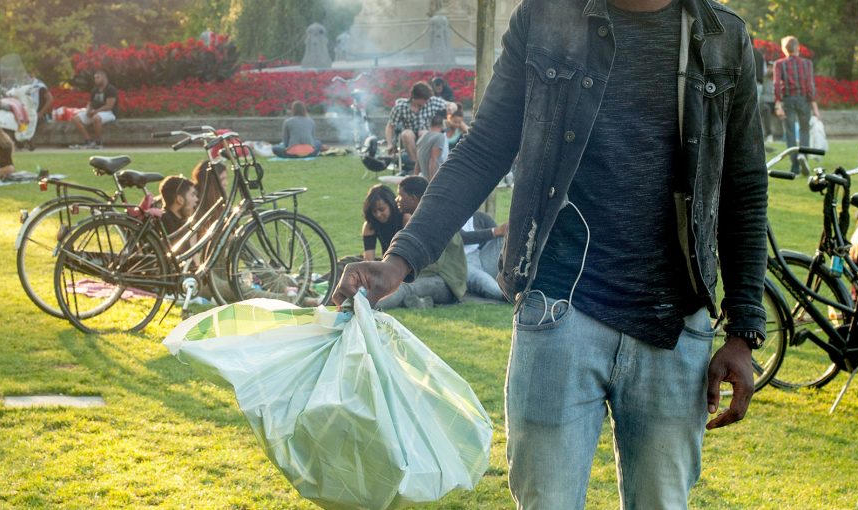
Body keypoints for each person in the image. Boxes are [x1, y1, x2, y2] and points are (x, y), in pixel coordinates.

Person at [334, 0, 768, 508]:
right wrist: (400, 259)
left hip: (674, 328)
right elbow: (482, 151)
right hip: (558, 312)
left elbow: (744, 185)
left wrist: (743, 330)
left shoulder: (723, 37)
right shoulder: (545, 17)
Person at [374, 176, 466, 310]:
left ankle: (365, 307)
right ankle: (419, 302)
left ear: (414, 198)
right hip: (432, 278)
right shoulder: (422, 219)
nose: (396, 199)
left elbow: (434, 266)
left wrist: (401, 272)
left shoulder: (434, 221)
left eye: (400, 195)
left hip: (446, 283)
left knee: (402, 287)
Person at [773, 35, 819, 175]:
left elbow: (776, 85)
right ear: (797, 47)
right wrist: (815, 107)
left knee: (790, 133)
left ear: (784, 49)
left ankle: (795, 167)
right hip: (804, 100)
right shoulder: (807, 64)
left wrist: (778, 105)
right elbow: (810, 85)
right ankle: (803, 157)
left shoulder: (780, 64)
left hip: (788, 100)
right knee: (805, 131)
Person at [385, 82, 448, 168]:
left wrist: (452, 107)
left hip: (426, 134)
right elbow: (390, 126)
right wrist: (389, 144)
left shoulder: (432, 102)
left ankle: (424, 163)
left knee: (423, 133)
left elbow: (450, 105)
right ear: (415, 98)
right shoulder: (400, 107)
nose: (427, 101)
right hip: (409, 138)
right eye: (424, 99)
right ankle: (416, 164)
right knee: (406, 133)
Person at [460, 211, 507, 301]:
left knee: (502, 239)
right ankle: (510, 296)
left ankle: (518, 279)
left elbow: (499, 232)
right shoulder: (447, 217)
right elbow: (463, 237)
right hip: (461, 260)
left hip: (481, 255)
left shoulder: (480, 217)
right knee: (481, 279)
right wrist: (495, 231)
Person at [362, 184, 411, 261]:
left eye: (382, 209)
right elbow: (368, 259)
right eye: (374, 211)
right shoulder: (370, 225)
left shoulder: (405, 218)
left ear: (391, 205)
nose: (378, 215)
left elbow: (408, 252)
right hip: (386, 263)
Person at [70, 70, 118, 149]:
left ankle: (98, 142)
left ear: (104, 78)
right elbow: (90, 103)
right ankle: (88, 140)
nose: (96, 80)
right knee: (75, 118)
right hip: (95, 112)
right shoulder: (94, 90)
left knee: (96, 118)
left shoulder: (111, 89)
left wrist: (96, 112)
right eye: (95, 78)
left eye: (98, 78)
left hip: (108, 112)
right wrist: (88, 110)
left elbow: (109, 106)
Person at [414, 114, 449, 180]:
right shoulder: (439, 137)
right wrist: (432, 182)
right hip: (435, 177)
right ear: (442, 125)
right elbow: (433, 160)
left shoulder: (423, 137)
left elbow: (418, 162)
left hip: (425, 177)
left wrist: (414, 179)